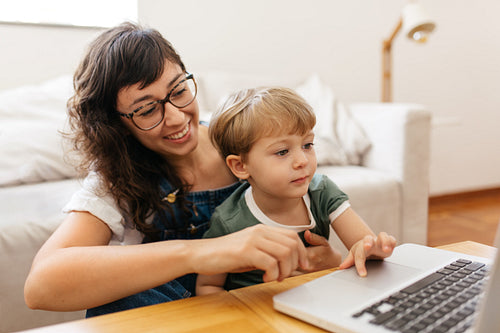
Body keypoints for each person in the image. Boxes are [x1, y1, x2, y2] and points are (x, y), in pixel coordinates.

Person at [23, 22, 342, 317]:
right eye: (147, 110)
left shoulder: (242, 143)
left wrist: (324, 264)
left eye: (178, 91)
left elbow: (312, 200)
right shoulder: (116, 179)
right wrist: (202, 252)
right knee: (118, 299)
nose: (176, 118)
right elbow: (41, 286)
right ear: (115, 126)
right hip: (178, 314)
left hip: (258, 305)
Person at [196, 87, 397, 295]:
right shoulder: (229, 221)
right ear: (240, 166)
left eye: (307, 145)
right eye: (282, 152)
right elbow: (208, 286)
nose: (302, 161)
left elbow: (362, 244)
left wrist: (371, 250)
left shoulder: (321, 190)